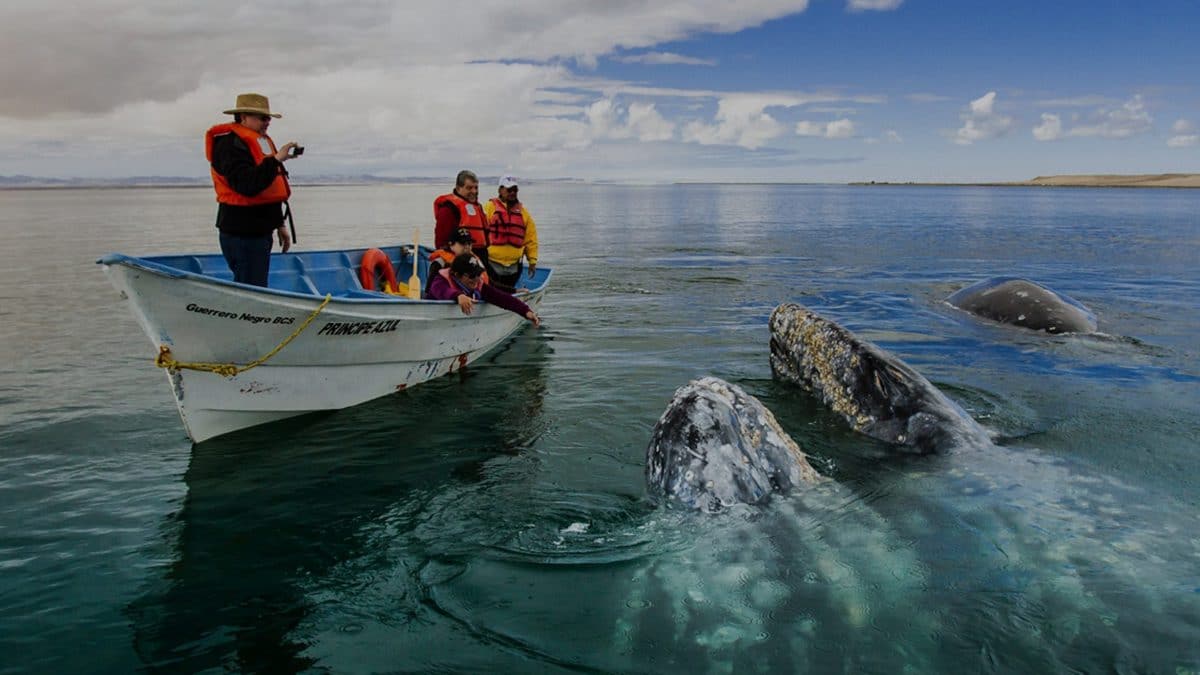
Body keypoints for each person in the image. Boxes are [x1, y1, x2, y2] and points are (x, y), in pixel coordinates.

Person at [205, 93, 302, 287]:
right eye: (262, 117)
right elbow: (246, 186)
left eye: (268, 118)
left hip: (260, 230)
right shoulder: (229, 145)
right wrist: (275, 160)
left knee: (256, 284)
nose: (267, 122)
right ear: (243, 117)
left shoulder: (260, 141)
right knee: (251, 287)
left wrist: (279, 224)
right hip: (242, 232)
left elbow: (268, 189)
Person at [427, 253, 540, 327]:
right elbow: (441, 291)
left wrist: (526, 312)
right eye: (471, 275)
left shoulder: (478, 285)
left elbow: (502, 298)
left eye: (478, 274)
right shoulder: (440, 281)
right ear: (457, 275)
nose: (476, 279)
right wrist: (458, 296)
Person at [482, 175, 539, 293]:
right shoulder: (488, 208)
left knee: (507, 293)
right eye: (509, 190)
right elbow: (479, 232)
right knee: (494, 291)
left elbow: (530, 238)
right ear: (500, 190)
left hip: (514, 267)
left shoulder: (524, 213)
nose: (512, 192)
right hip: (491, 263)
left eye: (515, 190)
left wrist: (532, 261)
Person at [433, 170, 490, 270]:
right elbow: (442, 243)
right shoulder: (449, 209)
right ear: (458, 188)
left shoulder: (478, 207)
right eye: (469, 188)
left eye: (476, 187)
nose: (474, 191)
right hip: (462, 262)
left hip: (480, 259)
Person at [424, 227, 489, 296]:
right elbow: (430, 289)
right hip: (449, 298)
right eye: (463, 243)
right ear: (451, 244)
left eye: (469, 243)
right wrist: (457, 295)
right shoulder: (439, 263)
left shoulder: (474, 262)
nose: (467, 247)